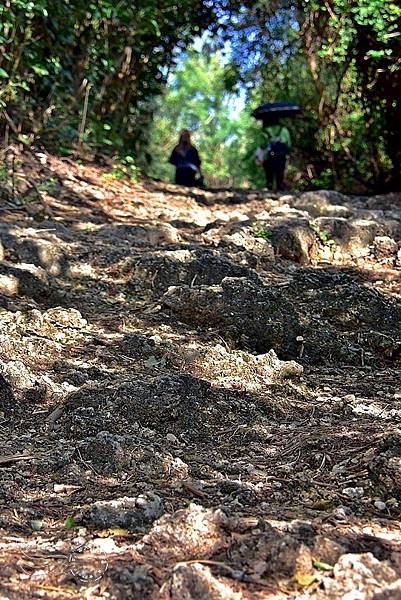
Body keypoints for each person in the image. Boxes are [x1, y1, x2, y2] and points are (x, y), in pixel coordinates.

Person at [256, 118, 291, 191]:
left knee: (269, 173)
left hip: (268, 156)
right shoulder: (284, 130)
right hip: (281, 156)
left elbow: (262, 145)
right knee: (280, 171)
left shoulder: (264, 131)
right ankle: (280, 187)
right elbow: (289, 144)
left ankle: (269, 186)